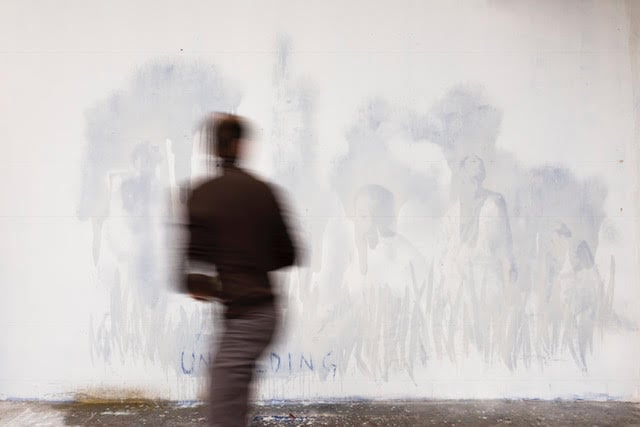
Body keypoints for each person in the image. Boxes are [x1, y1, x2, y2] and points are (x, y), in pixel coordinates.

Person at [183, 113, 297, 426]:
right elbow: (289, 254)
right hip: (263, 313)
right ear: (240, 146)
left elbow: (194, 276)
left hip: (245, 318)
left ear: (212, 148)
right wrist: (251, 256)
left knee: (224, 406)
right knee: (232, 397)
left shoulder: (200, 195)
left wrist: (213, 280)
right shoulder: (264, 192)